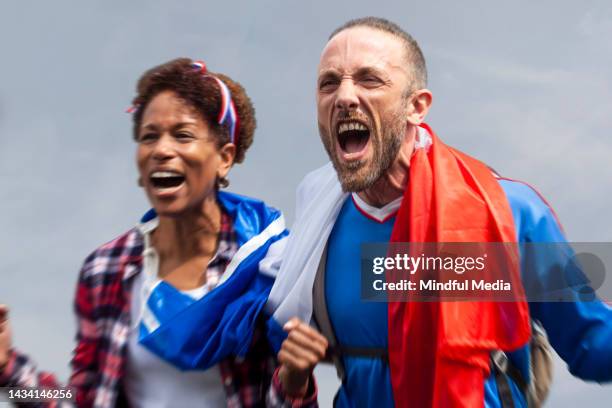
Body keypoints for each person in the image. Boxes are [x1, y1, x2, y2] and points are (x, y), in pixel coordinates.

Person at [266, 17, 612, 408]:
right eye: (329, 83)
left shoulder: (509, 212)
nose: (344, 96)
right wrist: (293, 384)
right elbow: (283, 369)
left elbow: (591, 343)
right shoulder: (317, 230)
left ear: (417, 106)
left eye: (369, 80)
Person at [0, 58, 317, 407]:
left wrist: (295, 386)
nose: (162, 150)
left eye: (182, 135)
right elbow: (81, 399)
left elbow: (290, 390)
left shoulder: (268, 267)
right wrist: (8, 369)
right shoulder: (105, 270)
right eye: (150, 137)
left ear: (224, 158)